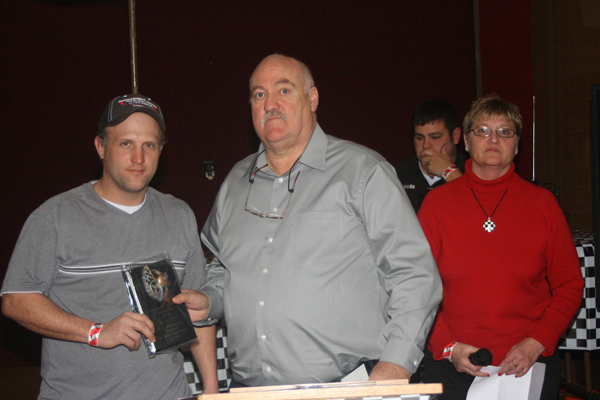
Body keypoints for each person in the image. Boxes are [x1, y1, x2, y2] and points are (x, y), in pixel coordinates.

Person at [187, 54, 442, 387]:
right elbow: (225, 269)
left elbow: (414, 274)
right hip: (250, 391)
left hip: (346, 389)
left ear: (313, 98)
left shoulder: (363, 172)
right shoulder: (235, 183)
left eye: (284, 91)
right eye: (259, 95)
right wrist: (208, 299)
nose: (270, 104)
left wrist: (396, 363)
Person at [1, 94, 219, 399]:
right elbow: (16, 299)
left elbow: (198, 312)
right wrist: (97, 331)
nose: (139, 158)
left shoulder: (179, 214)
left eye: (149, 145)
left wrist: (211, 387)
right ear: (101, 147)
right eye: (126, 143)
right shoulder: (56, 217)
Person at [418, 94, 584, 400]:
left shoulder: (542, 204)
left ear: (517, 145)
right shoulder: (437, 204)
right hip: (453, 365)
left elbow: (570, 285)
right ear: (465, 141)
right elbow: (417, 286)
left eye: (505, 132)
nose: (493, 139)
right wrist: (447, 345)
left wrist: (537, 342)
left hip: (526, 364)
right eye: (482, 130)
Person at [395, 99, 467, 213]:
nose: (425, 145)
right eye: (419, 137)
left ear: (455, 136)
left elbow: (479, 214)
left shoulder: (473, 171)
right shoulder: (398, 175)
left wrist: (449, 172)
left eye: (435, 137)